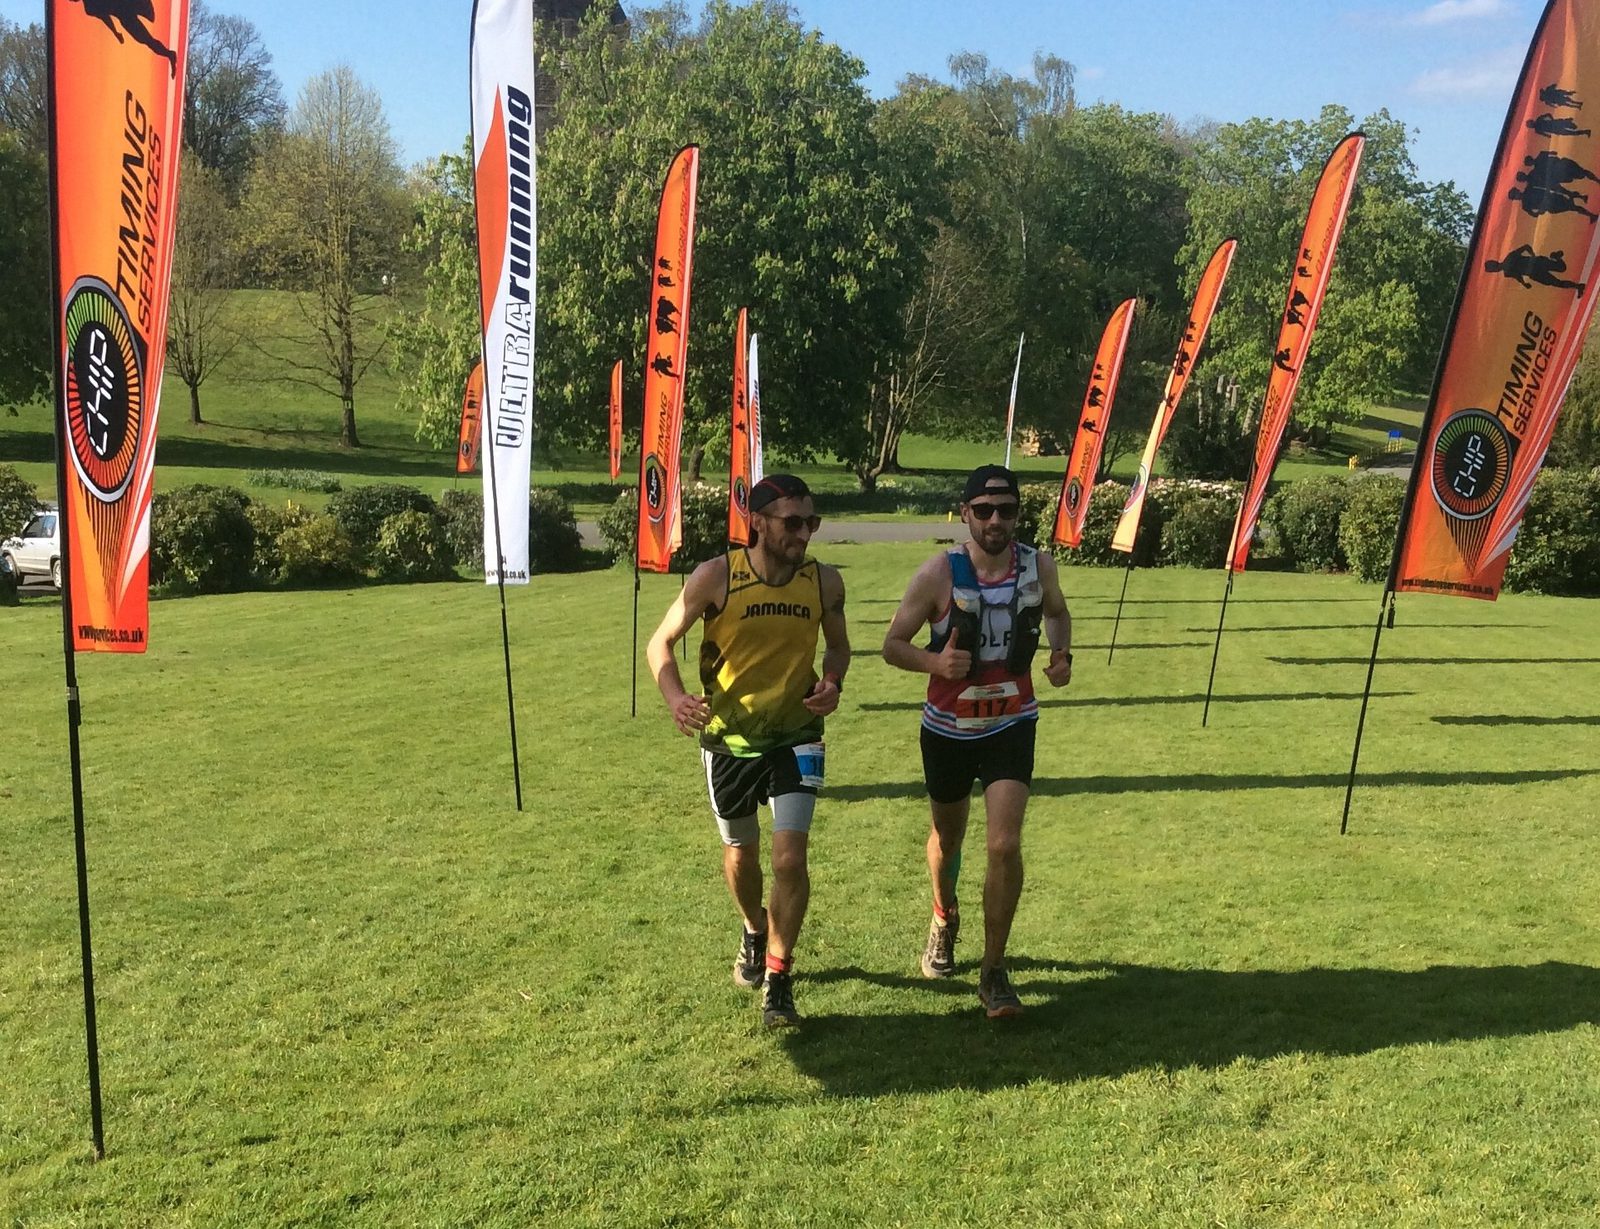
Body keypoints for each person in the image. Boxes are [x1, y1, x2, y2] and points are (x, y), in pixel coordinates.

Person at [647, 474, 849, 1028]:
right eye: (792, 522)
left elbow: (839, 646)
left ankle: (780, 978)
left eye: (811, 522)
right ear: (757, 521)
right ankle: (755, 930)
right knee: (742, 855)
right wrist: (674, 697)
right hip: (729, 739)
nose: (803, 533)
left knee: (790, 858)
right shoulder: (717, 577)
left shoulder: (824, 582)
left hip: (796, 735)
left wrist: (832, 681)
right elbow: (659, 641)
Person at [882, 465, 1073, 1019]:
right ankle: (944, 914)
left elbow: (1058, 616)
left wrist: (1061, 656)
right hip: (948, 728)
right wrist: (935, 661)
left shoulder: (1039, 566)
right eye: (984, 511)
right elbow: (893, 645)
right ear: (965, 514)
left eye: (1006, 511)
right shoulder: (939, 573)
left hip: (1012, 723)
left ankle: (993, 971)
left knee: (1004, 845)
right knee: (947, 838)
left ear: (1017, 514)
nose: (996, 521)